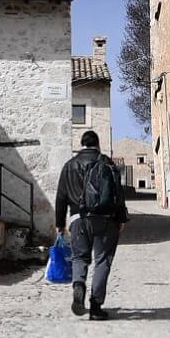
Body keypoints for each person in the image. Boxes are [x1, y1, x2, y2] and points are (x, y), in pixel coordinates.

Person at [53, 131, 128, 319]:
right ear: (98, 143)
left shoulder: (69, 166)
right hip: (106, 219)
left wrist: (59, 223)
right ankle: (95, 307)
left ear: (81, 144)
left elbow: (61, 197)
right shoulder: (107, 163)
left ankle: (79, 285)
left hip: (78, 219)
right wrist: (121, 218)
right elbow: (118, 193)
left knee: (79, 258)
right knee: (103, 260)